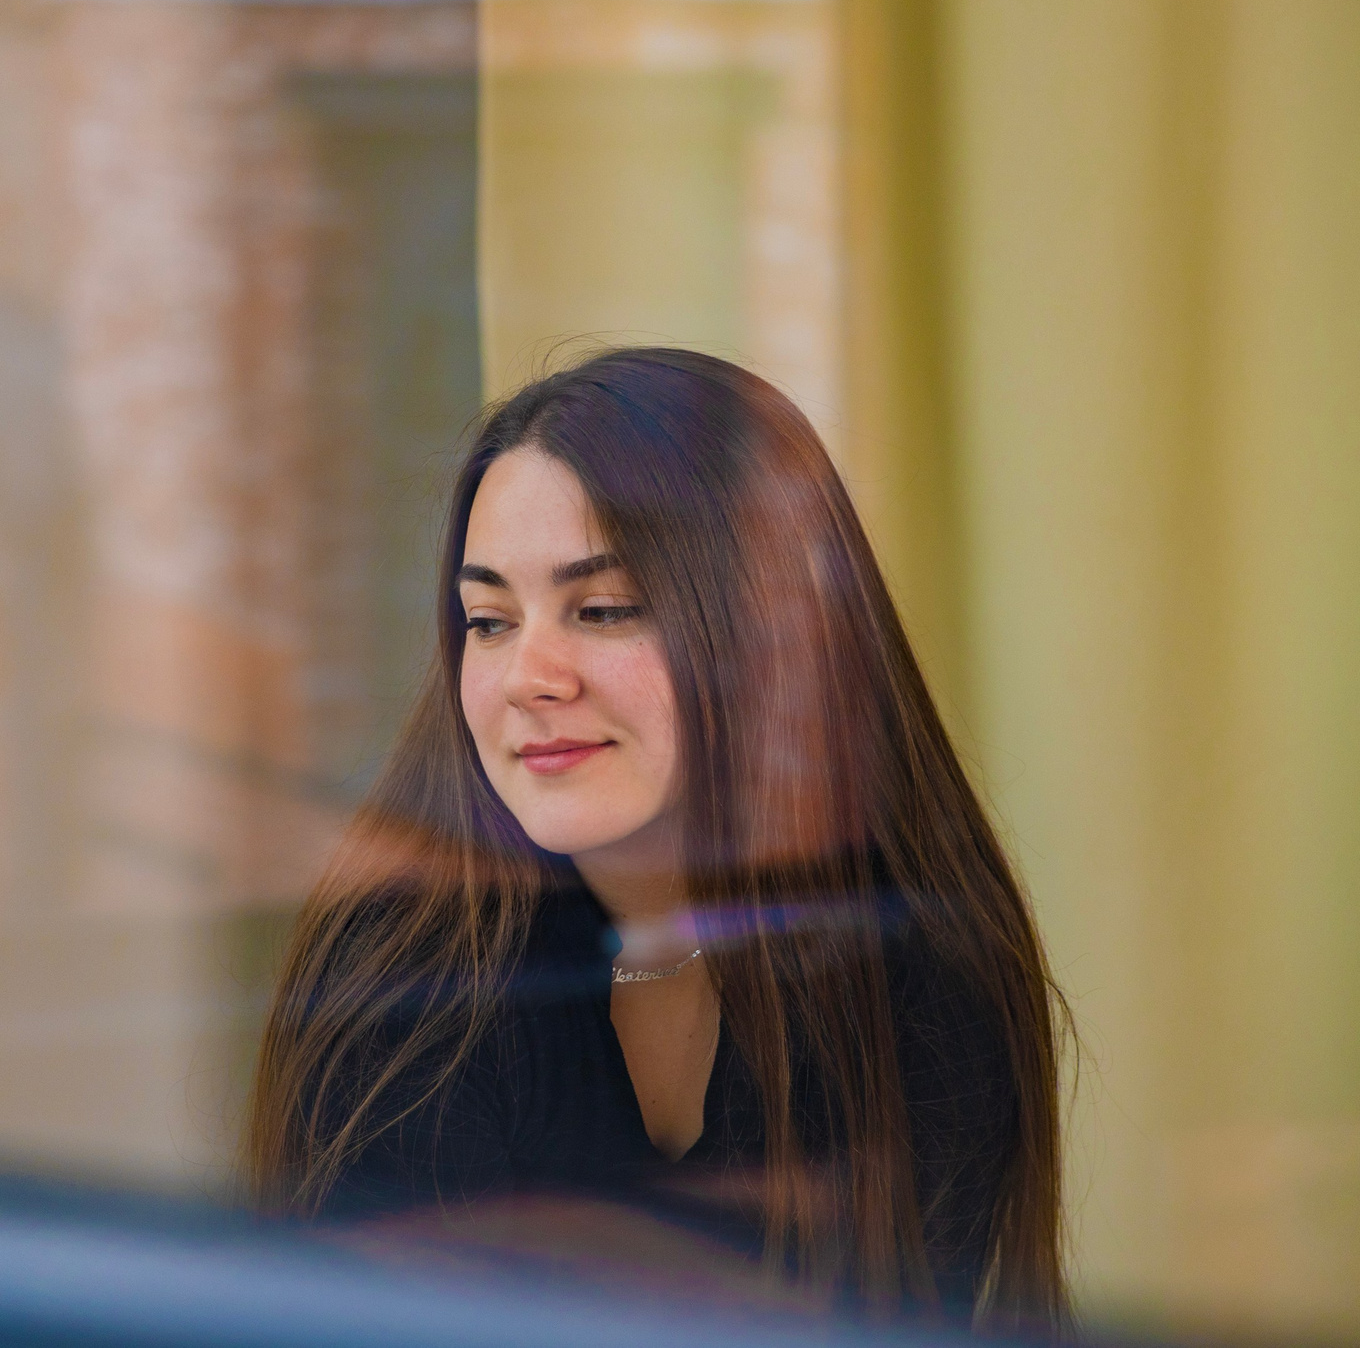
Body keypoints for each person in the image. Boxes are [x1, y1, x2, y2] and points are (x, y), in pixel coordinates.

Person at [244, 348, 1067, 1332]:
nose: (529, 678)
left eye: (600, 610)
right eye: (489, 620)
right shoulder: (393, 984)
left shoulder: (914, 970)